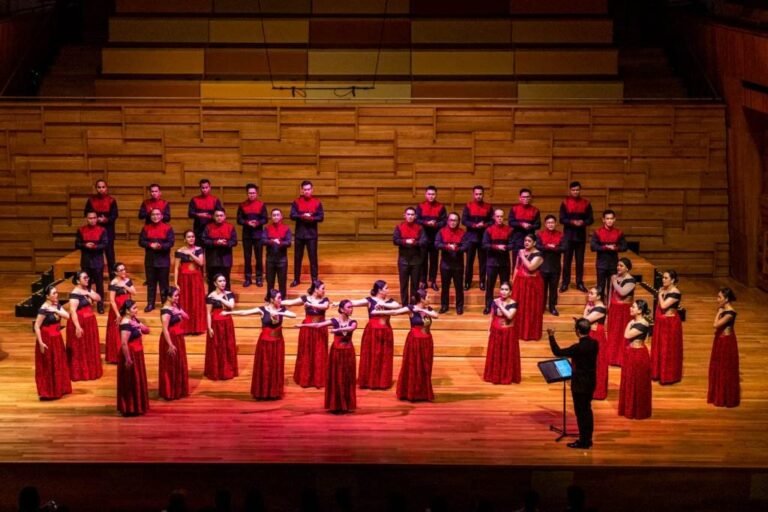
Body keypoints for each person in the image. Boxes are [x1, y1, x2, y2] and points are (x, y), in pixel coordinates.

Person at [225, 289, 297, 400]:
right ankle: (262, 391)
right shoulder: (263, 310)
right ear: (272, 300)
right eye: (278, 298)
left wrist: (279, 312)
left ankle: (274, 392)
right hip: (265, 343)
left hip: (278, 343)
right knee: (265, 366)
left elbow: (294, 315)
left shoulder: (281, 309)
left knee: (275, 366)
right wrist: (229, 312)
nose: (280, 300)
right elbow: (245, 312)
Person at [298, 300, 359, 413]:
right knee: (336, 377)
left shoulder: (353, 322)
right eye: (349, 307)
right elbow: (318, 324)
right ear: (341, 309)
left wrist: (338, 330)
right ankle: (335, 404)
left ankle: (346, 404)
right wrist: (303, 325)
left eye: (352, 307)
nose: (351, 309)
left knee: (347, 378)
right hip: (336, 353)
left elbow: (350, 329)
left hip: (348, 353)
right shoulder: (334, 321)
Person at [547, 319, 598, 449]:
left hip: (579, 384)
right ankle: (588, 438)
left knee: (581, 413)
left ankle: (583, 441)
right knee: (587, 410)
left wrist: (551, 336)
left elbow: (557, 352)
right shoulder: (595, 344)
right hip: (591, 382)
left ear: (577, 331)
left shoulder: (577, 348)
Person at [388, 289, 439, 401]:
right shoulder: (411, 309)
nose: (430, 299)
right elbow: (395, 313)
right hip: (415, 341)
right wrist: (381, 309)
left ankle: (423, 393)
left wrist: (423, 310)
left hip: (427, 342)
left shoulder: (429, 309)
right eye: (428, 297)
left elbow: (436, 315)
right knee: (413, 366)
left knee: (425, 367)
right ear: (421, 299)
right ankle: (411, 393)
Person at [350, 280, 401, 389]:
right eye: (386, 288)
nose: (388, 290)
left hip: (386, 331)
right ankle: (368, 381)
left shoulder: (390, 302)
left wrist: (382, 303)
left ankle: (382, 382)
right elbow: (354, 302)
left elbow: (397, 306)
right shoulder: (370, 300)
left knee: (384, 356)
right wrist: (340, 303)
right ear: (379, 290)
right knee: (371, 355)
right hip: (372, 332)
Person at [282, 279, 331, 388]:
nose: (324, 291)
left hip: (320, 329)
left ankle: (318, 379)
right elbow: (290, 302)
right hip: (307, 329)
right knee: (307, 352)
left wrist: (310, 304)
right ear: (316, 289)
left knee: (319, 352)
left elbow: (324, 307)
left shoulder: (325, 300)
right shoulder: (305, 299)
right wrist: (278, 302)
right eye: (322, 288)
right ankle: (306, 378)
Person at [33, 285, 72, 400]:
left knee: (58, 363)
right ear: (47, 296)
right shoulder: (43, 309)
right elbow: (36, 326)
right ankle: (48, 391)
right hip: (47, 339)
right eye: (54, 293)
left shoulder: (56, 305)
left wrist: (55, 310)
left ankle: (60, 388)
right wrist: (40, 342)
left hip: (57, 339)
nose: (56, 295)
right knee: (49, 365)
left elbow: (67, 316)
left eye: (56, 293)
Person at [618, 299, 652, 420]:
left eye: (633, 307)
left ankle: (638, 411)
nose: (630, 308)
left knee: (638, 382)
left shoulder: (642, 324)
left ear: (640, 310)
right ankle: (629, 408)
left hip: (638, 355)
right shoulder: (635, 321)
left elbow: (626, 335)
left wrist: (629, 323)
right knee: (629, 380)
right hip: (631, 352)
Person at [66, 271, 103, 381]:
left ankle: (91, 370)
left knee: (89, 346)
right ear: (78, 280)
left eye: (88, 277)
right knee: (80, 347)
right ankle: (81, 372)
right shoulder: (75, 294)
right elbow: (72, 311)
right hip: (80, 322)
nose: (87, 279)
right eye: (85, 277)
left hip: (89, 323)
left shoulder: (87, 290)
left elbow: (99, 298)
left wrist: (90, 294)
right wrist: (77, 326)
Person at [117, 299, 150, 416]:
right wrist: (128, 359)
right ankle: (130, 408)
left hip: (137, 353)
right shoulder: (125, 323)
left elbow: (147, 331)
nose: (137, 310)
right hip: (131, 353)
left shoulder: (133, 319)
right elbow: (124, 343)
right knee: (130, 381)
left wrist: (139, 324)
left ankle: (138, 405)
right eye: (134, 308)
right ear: (127, 311)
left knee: (137, 379)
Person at [708, 287, 740, 407]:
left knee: (726, 368)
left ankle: (726, 397)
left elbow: (715, 325)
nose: (717, 299)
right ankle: (718, 394)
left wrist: (718, 312)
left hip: (727, 342)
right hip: (720, 340)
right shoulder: (724, 310)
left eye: (719, 297)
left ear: (726, 299)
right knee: (718, 366)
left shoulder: (730, 313)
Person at [559, 181, 593, 292]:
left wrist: (582, 223)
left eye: (577, 190)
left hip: (580, 237)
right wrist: (573, 222)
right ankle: (565, 282)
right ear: (570, 190)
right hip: (568, 236)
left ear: (580, 190)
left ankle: (579, 283)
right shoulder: (564, 202)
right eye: (573, 190)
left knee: (580, 261)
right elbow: (561, 219)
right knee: (567, 261)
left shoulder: (586, 203)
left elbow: (590, 219)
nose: (575, 192)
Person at [139, 208, 175, 312]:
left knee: (164, 284)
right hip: (150, 260)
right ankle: (150, 303)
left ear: (162, 216)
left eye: (157, 214)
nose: (155, 216)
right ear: (150, 217)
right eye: (153, 215)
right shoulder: (146, 228)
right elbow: (141, 242)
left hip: (163, 260)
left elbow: (171, 242)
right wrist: (150, 244)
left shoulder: (168, 228)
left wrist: (160, 246)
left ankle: (165, 303)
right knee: (151, 283)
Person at [483, 282, 520, 384]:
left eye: (506, 289)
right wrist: (489, 330)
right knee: (496, 355)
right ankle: (495, 376)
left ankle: (506, 377)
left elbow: (509, 316)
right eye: (502, 289)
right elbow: (492, 317)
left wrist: (501, 306)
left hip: (508, 334)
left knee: (506, 355)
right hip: (496, 333)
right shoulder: (494, 302)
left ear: (510, 292)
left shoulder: (514, 303)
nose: (503, 292)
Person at [651, 270, 684, 385]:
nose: (663, 280)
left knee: (668, 348)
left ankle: (668, 375)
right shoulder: (664, 289)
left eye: (666, 278)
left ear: (673, 280)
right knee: (660, 346)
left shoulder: (675, 292)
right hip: (661, 322)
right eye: (663, 278)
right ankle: (658, 373)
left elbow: (664, 305)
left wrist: (659, 294)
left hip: (670, 323)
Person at [290, 180, 324, 287]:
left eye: (309, 189)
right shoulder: (296, 202)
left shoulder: (317, 202)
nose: (307, 191)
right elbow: (292, 215)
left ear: (312, 190)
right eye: (305, 189)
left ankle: (314, 280)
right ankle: (296, 279)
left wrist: (312, 218)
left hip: (311, 235)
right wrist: (302, 216)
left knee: (313, 258)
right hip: (299, 235)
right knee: (297, 258)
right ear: (301, 190)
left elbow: (321, 217)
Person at [205, 274, 238, 380]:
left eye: (224, 280)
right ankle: (216, 371)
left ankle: (228, 370)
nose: (223, 283)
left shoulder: (229, 294)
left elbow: (231, 306)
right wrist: (209, 327)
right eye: (220, 281)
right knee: (217, 347)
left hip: (227, 323)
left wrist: (220, 298)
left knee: (228, 346)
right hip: (216, 324)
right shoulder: (210, 296)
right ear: (215, 283)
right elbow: (208, 313)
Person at [159, 287, 190, 401]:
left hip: (178, 337)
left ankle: (179, 389)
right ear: (168, 297)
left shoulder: (176, 305)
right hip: (170, 338)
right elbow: (165, 329)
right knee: (170, 365)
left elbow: (187, 317)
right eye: (175, 296)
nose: (178, 297)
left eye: (178, 295)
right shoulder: (165, 311)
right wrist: (170, 344)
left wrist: (180, 311)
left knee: (179, 363)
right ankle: (170, 391)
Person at [84, 179, 118, 280]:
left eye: (103, 187)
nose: (101, 189)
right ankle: (94, 277)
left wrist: (105, 219)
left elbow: (115, 215)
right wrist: (95, 219)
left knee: (110, 254)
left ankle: (113, 277)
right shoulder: (91, 200)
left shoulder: (112, 200)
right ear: (96, 188)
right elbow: (86, 213)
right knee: (95, 254)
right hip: (94, 230)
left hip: (108, 230)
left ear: (106, 188)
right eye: (99, 187)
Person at [173, 230, 207, 335]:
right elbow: (176, 268)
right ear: (184, 239)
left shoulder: (199, 249)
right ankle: (185, 328)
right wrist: (175, 282)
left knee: (196, 302)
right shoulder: (179, 251)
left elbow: (201, 263)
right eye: (188, 237)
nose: (191, 238)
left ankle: (197, 328)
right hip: (183, 280)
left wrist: (191, 254)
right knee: (185, 301)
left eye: (192, 236)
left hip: (196, 279)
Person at [435, 212, 469, 314]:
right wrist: (447, 247)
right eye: (451, 220)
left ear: (458, 222)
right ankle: (444, 306)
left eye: (455, 220)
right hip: (445, 264)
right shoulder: (442, 231)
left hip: (458, 265)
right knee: (445, 287)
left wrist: (457, 248)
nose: (453, 222)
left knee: (459, 287)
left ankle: (459, 307)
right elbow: (436, 244)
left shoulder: (462, 232)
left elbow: (466, 246)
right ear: (447, 221)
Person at [512, 234, 544, 341]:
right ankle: (518, 332)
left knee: (531, 308)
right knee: (520, 307)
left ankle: (530, 333)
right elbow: (516, 267)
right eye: (525, 240)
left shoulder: (538, 254)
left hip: (532, 286)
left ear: (534, 243)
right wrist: (513, 282)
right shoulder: (521, 251)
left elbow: (531, 267)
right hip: (520, 284)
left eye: (529, 241)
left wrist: (522, 256)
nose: (526, 242)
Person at [393, 206, 428, 305]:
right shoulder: (399, 227)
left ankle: (413, 305)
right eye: (408, 214)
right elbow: (395, 240)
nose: (410, 216)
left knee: (415, 285)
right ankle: (404, 305)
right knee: (403, 285)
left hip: (416, 261)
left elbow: (424, 241)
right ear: (404, 215)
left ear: (415, 216)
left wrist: (414, 243)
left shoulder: (420, 228)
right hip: (403, 260)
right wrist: (405, 241)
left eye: (412, 214)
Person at [75, 210, 108, 314]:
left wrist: (94, 246)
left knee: (99, 284)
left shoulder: (102, 230)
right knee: (85, 285)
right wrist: (85, 245)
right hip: (85, 261)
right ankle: (86, 304)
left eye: (94, 218)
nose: (92, 220)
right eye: (90, 218)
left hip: (98, 260)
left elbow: (105, 244)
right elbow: (77, 244)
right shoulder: (81, 230)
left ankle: (100, 304)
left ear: (97, 218)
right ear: (87, 218)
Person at [462, 185, 493, 290]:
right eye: (476, 194)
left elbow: (492, 221)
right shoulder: (468, 206)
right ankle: (467, 282)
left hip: (483, 238)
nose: (478, 196)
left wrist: (483, 225)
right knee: (469, 262)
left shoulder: (488, 207)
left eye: (480, 194)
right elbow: (464, 221)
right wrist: (475, 225)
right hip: (470, 238)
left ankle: (482, 282)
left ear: (483, 194)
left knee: (483, 262)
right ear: (473, 194)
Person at [416, 185, 447, 291]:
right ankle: (423, 281)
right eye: (429, 194)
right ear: (425, 195)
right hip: (423, 237)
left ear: (436, 195)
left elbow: (444, 221)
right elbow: (417, 220)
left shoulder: (441, 207)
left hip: (435, 237)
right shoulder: (420, 206)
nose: (431, 196)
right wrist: (426, 223)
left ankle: (432, 281)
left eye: (433, 194)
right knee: (423, 260)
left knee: (434, 260)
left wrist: (436, 224)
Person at [482, 208, 513, 315]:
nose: (500, 218)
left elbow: (512, 244)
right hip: (492, 262)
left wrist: (505, 247)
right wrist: (496, 247)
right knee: (490, 285)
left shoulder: (509, 230)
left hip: (504, 263)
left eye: (501, 216)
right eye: (498, 216)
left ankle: (506, 305)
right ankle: (488, 305)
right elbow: (485, 244)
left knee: (505, 285)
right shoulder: (489, 230)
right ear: (494, 217)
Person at [605, 258, 635, 367]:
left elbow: (622, 293)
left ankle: (621, 359)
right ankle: (612, 358)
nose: (618, 267)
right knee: (613, 333)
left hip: (624, 311)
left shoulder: (631, 280)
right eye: (618, 265)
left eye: (621, 266)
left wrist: (614, 281)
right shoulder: (615, 277)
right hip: (614, 309)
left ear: (627, 268)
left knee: (621, 334)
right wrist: (608, 306)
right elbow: (611, 292)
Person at [237, 183, 268, 287]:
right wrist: (247, 223)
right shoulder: (242, 205)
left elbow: (265, 219)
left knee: (259, 257)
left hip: (258, 235)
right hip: (247, 235)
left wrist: (258, 223)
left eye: (253, 193)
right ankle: (248, 278)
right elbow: (239, 219)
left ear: (257, 193)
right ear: (247, 193)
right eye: (250, 193)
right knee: (247, 257)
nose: (251, 195)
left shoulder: (261, 205)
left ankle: (259, 278)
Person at [590, 209, 627, 295]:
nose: (609, 220)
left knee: (612, 289)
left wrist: (615, 248)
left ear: (614, 219)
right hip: (601, 265)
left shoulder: (619, 232)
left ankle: (610, 308)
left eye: (611, 218)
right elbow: (592, 247)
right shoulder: (598, 232)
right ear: (603, 220)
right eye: (607, 218)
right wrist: (606, 247)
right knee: (600, 288)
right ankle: (601, 307)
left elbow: (624, 247)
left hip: (613, 265)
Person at [105, 263, 136, 364]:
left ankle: (127, 353)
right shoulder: (113, 283)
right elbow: (112, 300)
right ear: (116, 272)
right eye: (121, 270)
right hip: (117, 309)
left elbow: (134, 292)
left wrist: (124, 285)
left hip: (127, 308)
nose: (123, 272)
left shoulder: (127, 280)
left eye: (124, 269)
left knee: (127, 329)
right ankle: (116, 356)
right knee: (116, 331)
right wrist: (117, 314)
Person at [536, 215, 566, 316]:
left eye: (552, 222)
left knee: (553, 289)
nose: (550, 224)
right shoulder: (540, 234)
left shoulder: (561, 235)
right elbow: (538, 246)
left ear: (556, 223)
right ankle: (541, 306)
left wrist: (551, 247)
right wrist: (550, 247)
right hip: (542, 266)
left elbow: (564, 248)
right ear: (545, 224)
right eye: (548, 223)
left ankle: (552, 307)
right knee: (542, 289)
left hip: (555, 267)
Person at [583, 287, 608, 400]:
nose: (589, 294)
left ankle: (597, 391)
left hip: (597, 336)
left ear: (598, 297)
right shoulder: (593, 306)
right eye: (589, 292)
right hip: (592, 333)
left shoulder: (600, 308)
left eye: (592, 293)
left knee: (597, 361)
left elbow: (585, 321)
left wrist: (587, 307)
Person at [202, 209, 237, 292]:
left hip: (225, 259)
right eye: (217, 216)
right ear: (214, 217)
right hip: (212, 258)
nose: (219, 217)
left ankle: (226, 298)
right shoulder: (208, 227)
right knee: (212, 280)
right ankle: (212, 299)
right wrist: (215, 242)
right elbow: (204, 240)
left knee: (225, 280)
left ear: (225, 216)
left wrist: (226, 243)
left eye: (221, 215)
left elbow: (234, 241)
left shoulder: (230, 227)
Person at [508, 188, 541, 270]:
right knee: (516, 262)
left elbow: (538, 225)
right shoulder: (514, 209)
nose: (525, 199)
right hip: (517, 240)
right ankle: (515, 281)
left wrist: (530, 226)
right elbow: (511, 222)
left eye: (527, 197)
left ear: (530, 198)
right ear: (520, 198)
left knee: (530, 262)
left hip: (530, 240)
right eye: (523, 197)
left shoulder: (535, 210)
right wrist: (521, 224)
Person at [264, 208, 292, 301]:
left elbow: (288, 242)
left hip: (282, 259)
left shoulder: (286, 228)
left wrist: (279, 242)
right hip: (270, 259)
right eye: (274, 215)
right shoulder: (267, 228)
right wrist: (272, 241)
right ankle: (270, 298)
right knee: (270, 281)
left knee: (282, 281)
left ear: (281, 216)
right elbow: (263, 240)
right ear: (271, 217)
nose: (275, 217)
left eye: (277, 215)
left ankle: (282, 299)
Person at [188, 178, 223, 242]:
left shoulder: (215, 200)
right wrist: (199, 215)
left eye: (206, 187)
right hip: (198, 229)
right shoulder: (194, 199)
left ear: (210, 187)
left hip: (211, 229)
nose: (204, 190)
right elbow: (190, 214)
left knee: (210, 250)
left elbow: (221, 214)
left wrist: (210, 216)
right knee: (199, 250)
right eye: (203, 188)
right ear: (200, 188)